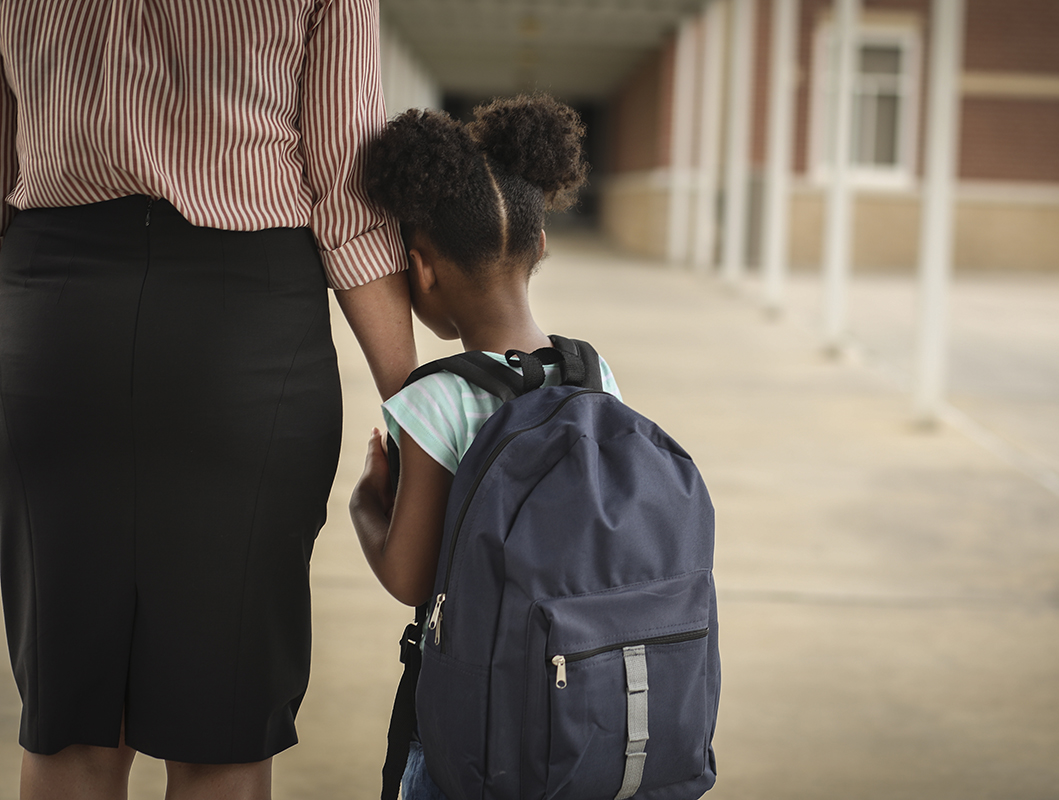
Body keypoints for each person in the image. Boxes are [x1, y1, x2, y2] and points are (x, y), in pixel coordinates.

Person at [0, 3, 415, 799]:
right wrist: (415, 416)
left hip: (54, 323)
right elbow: (347, 193)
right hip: (244, 331)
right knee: (220, 732)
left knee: (71, 722)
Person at [348, 94, 619, 800]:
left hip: (476, 732)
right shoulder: (596, 375)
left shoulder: (435, 400)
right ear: (542, 247)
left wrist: (365, 505)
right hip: (587, 712)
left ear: (423, 269)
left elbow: (409, 577)